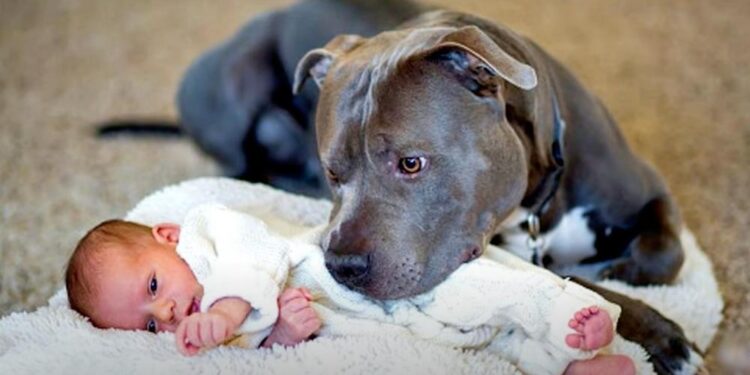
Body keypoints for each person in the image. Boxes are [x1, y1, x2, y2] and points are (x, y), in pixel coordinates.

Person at [65, 203, 634, 375]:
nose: (165, 310)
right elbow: (261, 351)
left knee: (471, 288)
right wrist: (283, 331)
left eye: (154, 284)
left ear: (168, 238)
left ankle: (559, 311)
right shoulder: (208, 333)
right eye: (146, 323)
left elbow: (255, 252)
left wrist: (230, 307)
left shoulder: (209, 233)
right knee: (457, 344)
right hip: (361, 318)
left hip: (362, 272)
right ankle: (564, 366)